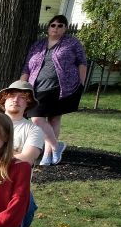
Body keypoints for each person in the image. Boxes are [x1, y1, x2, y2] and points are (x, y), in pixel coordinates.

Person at [20, 14, 87, 166]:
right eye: (53, 25)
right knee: (36, 119)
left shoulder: (72, 43)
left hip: (63, 87)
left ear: (65, 28)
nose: (56, 28)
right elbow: (27, 67)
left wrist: (81, 83)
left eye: (60, 25)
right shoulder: (38, 45)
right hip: (37, 87)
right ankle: (57, 146)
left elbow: (82, 63)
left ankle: (47, 155)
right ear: (48, 27)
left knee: (54, 119)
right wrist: (21, 86)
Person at [0, 80, 44, 227]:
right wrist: (15, 153)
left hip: (16, 185)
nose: (16, 100)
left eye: (22, 97)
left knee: (28, 205)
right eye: (11, 96)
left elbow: (27, 159)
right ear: (3, 100)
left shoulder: (34, 130)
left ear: (28, 103)